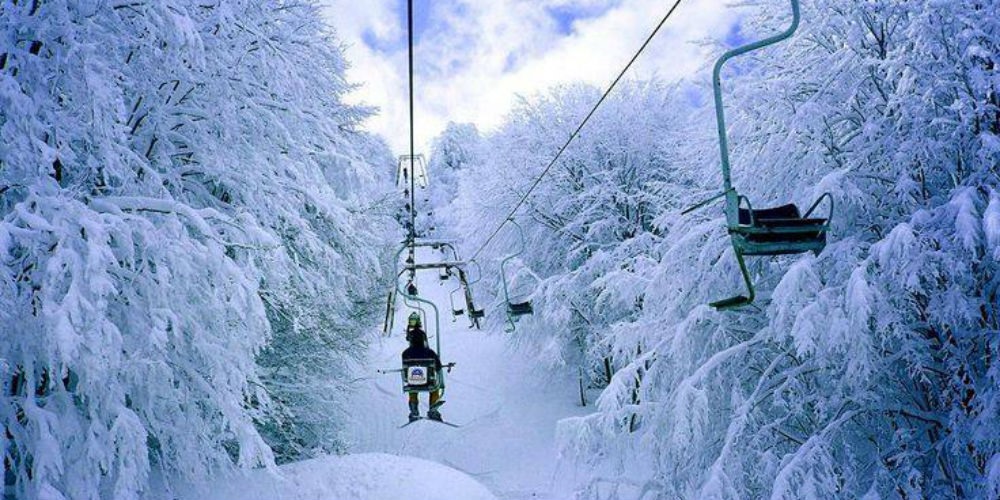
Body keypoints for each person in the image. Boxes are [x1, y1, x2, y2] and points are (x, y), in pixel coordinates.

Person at [402, 312, 443, 422]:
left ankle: (414, 411)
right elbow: (438, 367)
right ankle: (433, 410)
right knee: (435, 389)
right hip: (428, 382)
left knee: (413, 388)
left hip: (413, 382)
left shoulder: (405, 354)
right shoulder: (430, 353)